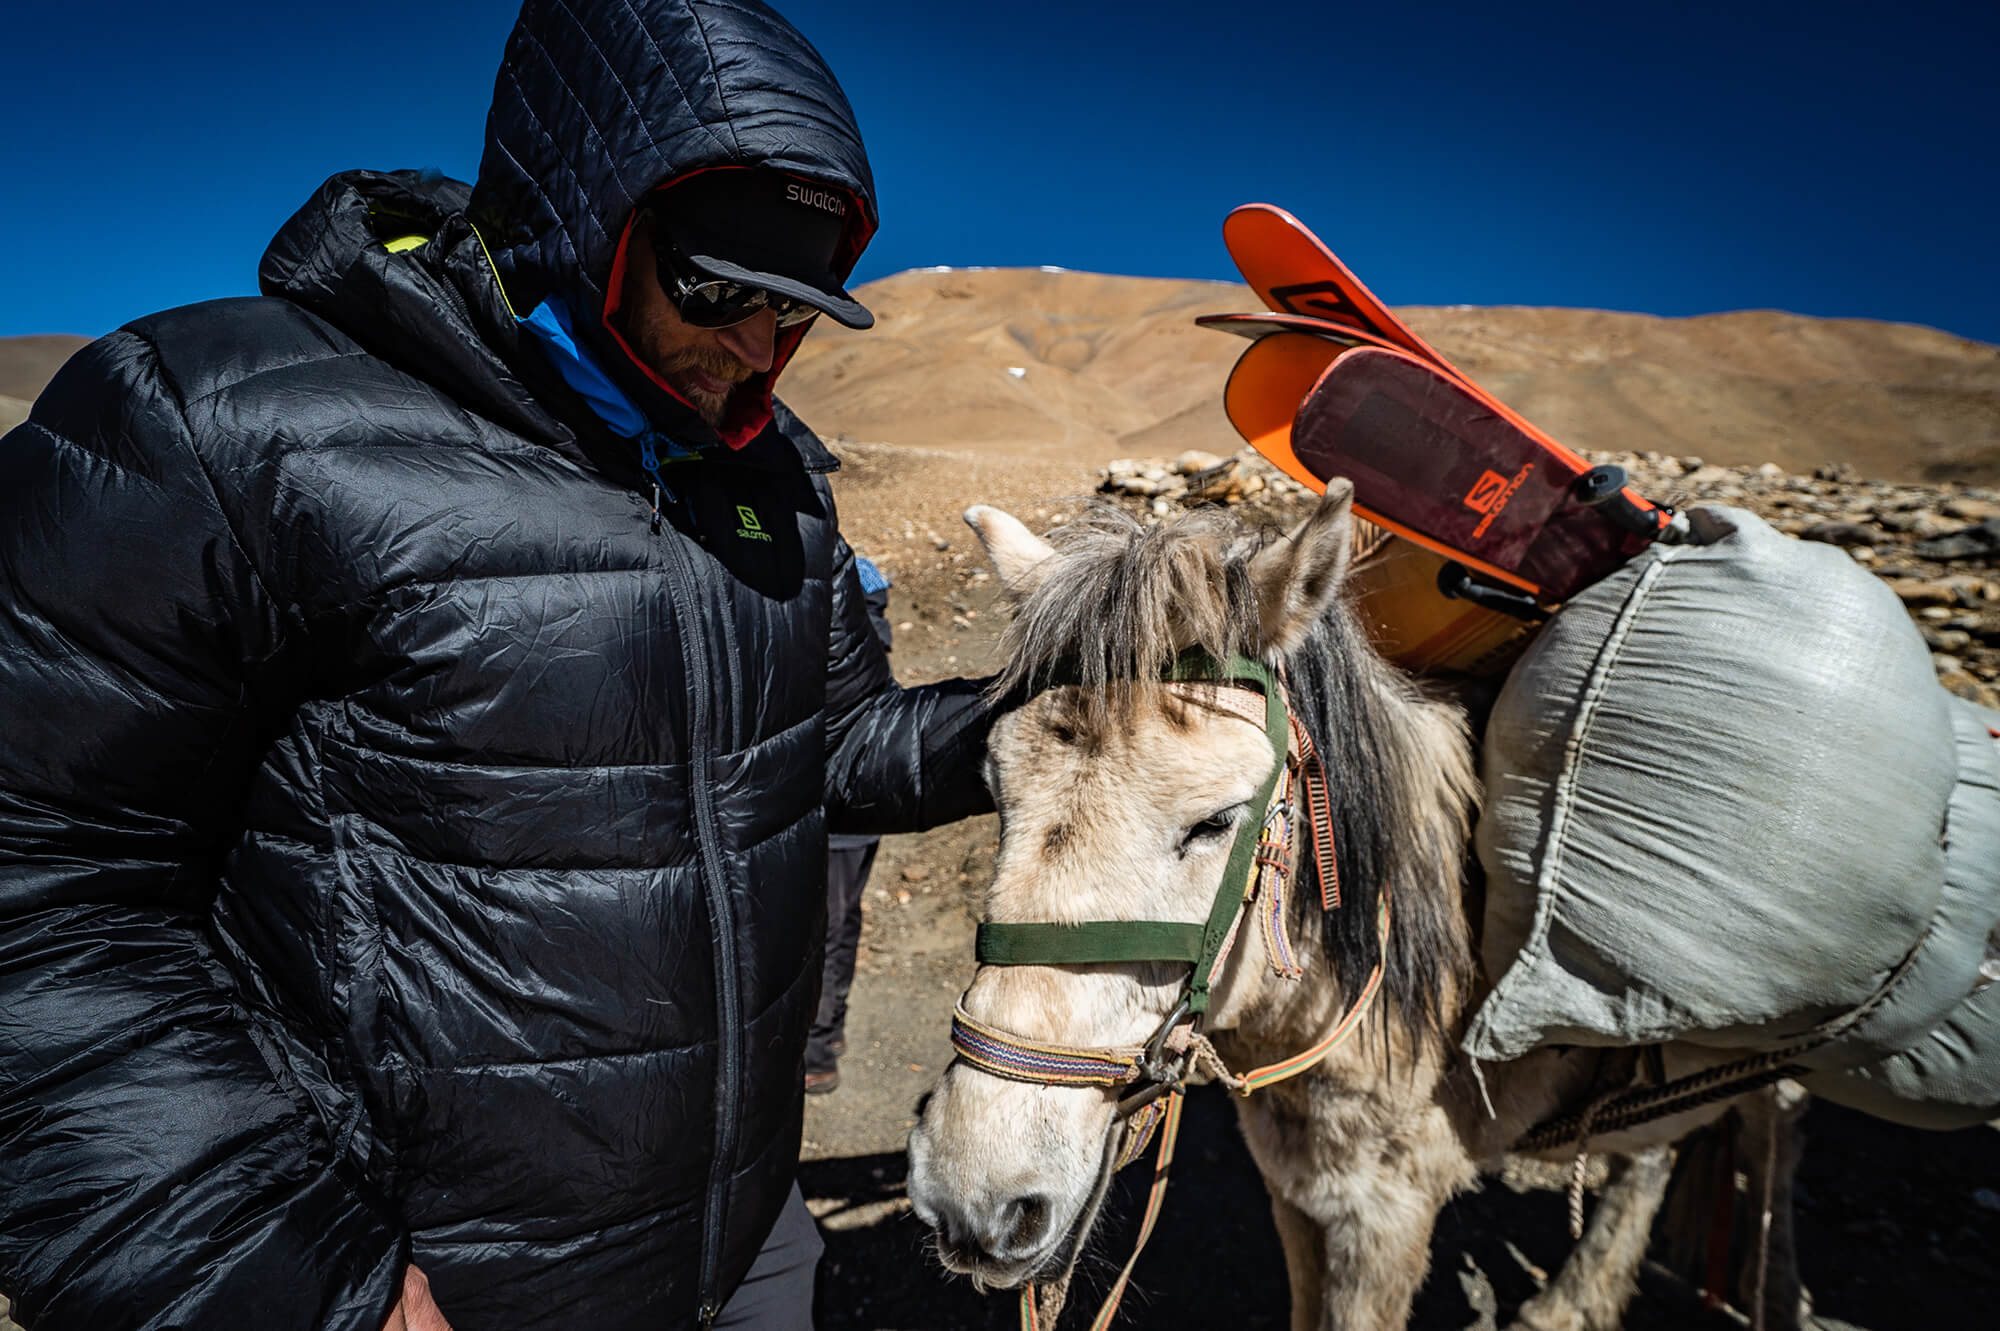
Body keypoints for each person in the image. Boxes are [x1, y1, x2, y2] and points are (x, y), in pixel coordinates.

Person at [0, 3, 992, 1330]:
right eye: (722, 287)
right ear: (585, 214)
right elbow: (43, 889)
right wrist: (287, 1275)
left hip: (746, 1251)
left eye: (796, 308)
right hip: (424, 1282)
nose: (759, 347)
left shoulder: (771, 482)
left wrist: (1033, 713)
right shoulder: (228, 427)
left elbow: (828, 747)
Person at [805, 555, 893, 1096]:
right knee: (844, 921)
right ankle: (830, 1031)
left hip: (833, 814)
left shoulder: (834, 649)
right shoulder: (874, 642)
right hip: (864, 814)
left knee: (825, 929)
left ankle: (815, 1052)